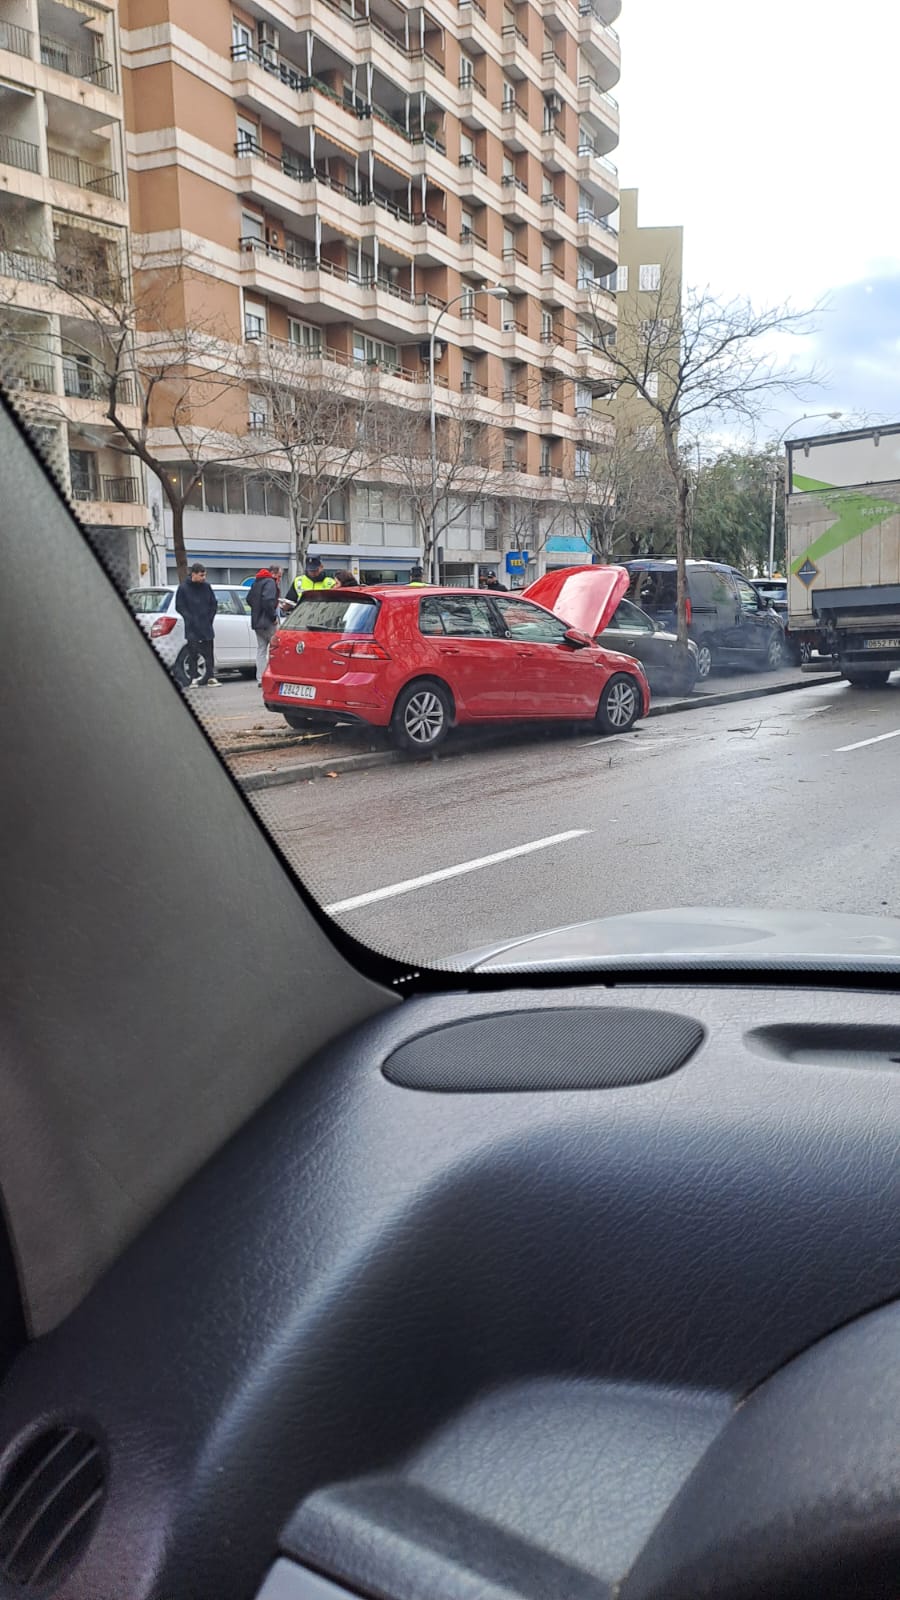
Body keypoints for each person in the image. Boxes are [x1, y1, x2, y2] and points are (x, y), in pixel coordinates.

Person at [174, 562, 219, 686]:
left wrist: (209, 618)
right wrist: (189, 618)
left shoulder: (206, 587)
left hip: (206, 625)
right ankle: (193, 677)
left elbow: (213, 604)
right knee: (192, 652)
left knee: (209, 652)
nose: (203, 578)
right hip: (192, 626)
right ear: (193, 574)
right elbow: (179, 606)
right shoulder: (183, 588)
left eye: (204, 575)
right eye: (201, 575)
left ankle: (210, 676)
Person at [248, 564, 282, 686]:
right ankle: (273, 677)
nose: (280, 579)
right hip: (268, 622)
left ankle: (261, 678)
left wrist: (257, 609)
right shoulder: (270, 583)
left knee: (261, 650)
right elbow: (268, 600)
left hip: (257, 622)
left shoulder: (257, 582)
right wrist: (272, 616)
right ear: (273, 574)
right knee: (275, 649)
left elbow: (249, 599)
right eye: (279, 576)